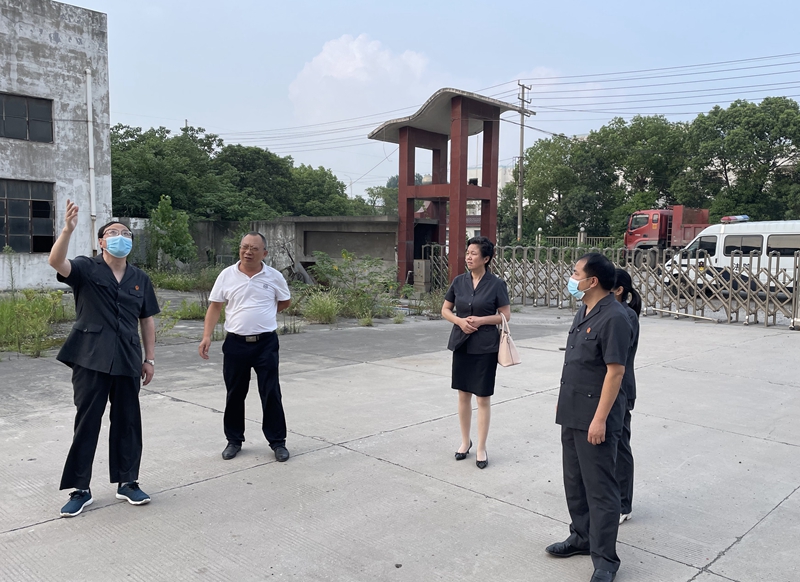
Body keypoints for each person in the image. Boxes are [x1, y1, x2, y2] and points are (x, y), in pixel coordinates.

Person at [48, 200, 160, 517]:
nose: (120, 237)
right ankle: (80, 489)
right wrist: (67, 230)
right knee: (87, 422)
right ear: (101, 242)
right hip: (90, 357)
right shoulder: (86, 268)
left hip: (127, 357)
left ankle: (128, 482)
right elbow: (56, 261)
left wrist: (150, 359)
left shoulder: (140, 278)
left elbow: (147, 319)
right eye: (113, 233)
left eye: (125, 233)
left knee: (127, 421)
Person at [545, 253, 632, 582]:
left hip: (596, 416)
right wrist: (563, 403)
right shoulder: (584, 310)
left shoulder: (615, 317)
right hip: (572, 410)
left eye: (575, 273)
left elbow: (615, 372)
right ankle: (581, 537)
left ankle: (606, 560)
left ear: (592, 281)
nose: (572, 278)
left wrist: (599, 420)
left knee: (600, 489)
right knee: (575, 481)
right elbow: (576, 364)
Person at [199, 232, 292, 462]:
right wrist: (206, 336)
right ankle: (234, 440)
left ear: (264, 253)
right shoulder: (226, 275)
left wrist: (265, 313)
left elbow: (285, 301)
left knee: (271, 392)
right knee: (235, 393)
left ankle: (278, 442)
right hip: (236, 344)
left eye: (254, 248)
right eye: (244, 247)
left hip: (266, 344)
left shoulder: (274, 276)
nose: (248, 252)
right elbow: (215, 306)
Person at [441, 236, 510, 470]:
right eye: (468, 252)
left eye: (473, 253)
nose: (468, 257)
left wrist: (481, 320)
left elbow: (505, 315)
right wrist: (459, 322)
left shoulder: (496, 284)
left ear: (486, 258)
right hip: (462, 344)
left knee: (482, 398)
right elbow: (445, 309)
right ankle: (465, 442)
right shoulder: (458, 281)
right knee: (463, 395)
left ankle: (481, 447)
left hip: (485, 347)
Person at [613, 268, 641, 525]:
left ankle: (623, 503)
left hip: (621, 389)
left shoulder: (625, 316)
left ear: (619, 290)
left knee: (620, 445)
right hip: (605, 389)